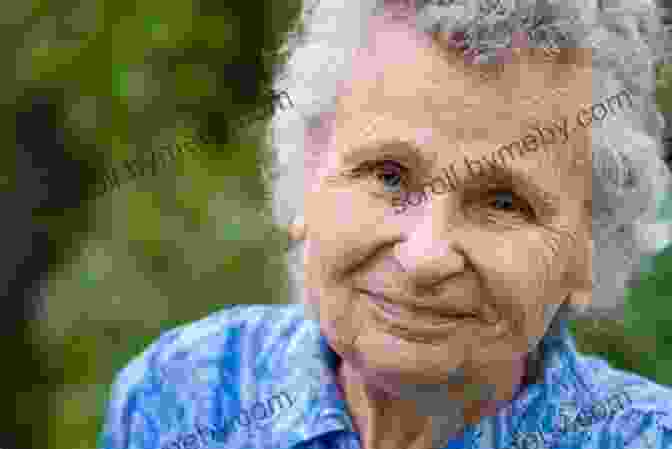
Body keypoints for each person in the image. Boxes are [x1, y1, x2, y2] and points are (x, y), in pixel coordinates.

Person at [97, 1, 672, 448]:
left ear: (590, 253)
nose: (425, 256)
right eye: (388, 175)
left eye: (503, 202)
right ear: (306, 181)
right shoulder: (181, 395)